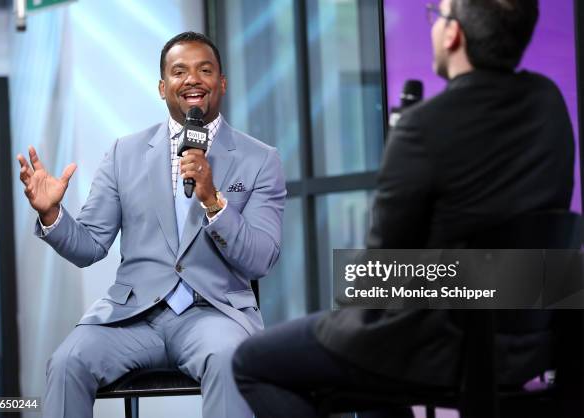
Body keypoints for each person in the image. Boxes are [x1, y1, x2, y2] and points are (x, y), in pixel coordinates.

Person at [232, 0, 574, 417]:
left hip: (441, 348)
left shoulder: (422, 127)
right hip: (530, 345)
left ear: (453, 35)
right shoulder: (549, 106)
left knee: (252, 361)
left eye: (437, 14)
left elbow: (383, 268)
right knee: (366, 351)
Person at [16, 31, 286, 418]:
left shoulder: (260, 159)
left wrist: (214, 201)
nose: (192, 79)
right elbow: (90, 245)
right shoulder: (123, 153)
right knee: (66, 362)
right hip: (132, 317)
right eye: (179, 72)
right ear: (163, 87)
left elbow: (261, 259)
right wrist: (51, 215)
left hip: (214, 315)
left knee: (230, 361)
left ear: (221, 82)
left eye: (204, 70)